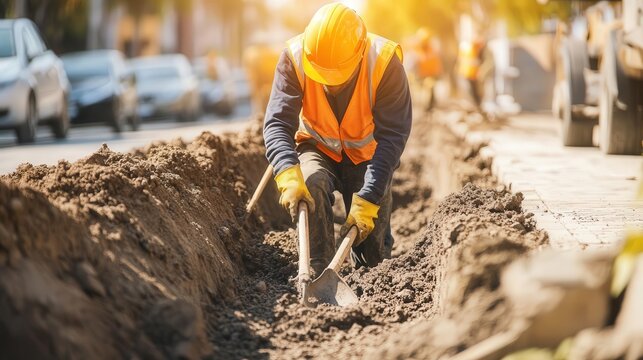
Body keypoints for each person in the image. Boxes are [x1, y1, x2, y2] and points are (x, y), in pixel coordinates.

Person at [263, 2, 412, 276]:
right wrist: (287, 172)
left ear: (359, 53)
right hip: (317, 146)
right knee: (311, 183)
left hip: (368, 155)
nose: (330, 83)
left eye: (337, 76)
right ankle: (317, 270)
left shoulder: (384, 62)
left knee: (373, 259)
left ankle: (369, 277)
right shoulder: (294, 57)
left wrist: (369, 196)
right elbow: (277, 122)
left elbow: (393, 137)